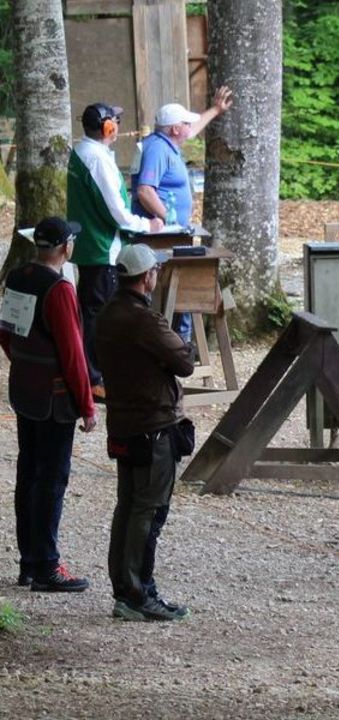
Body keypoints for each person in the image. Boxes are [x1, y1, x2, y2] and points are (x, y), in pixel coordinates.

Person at [95, 244, 196, 621]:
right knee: (148, 512)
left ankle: (125, 589)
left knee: (128, 507)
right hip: (153, 426)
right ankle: (139, 593)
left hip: (123, 423)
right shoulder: (144, 321)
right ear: (148, 276)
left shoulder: (107, 315)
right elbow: (184, 362)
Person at [0, 217, 97, 592]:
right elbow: (72, 354)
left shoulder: (19, 277)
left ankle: (29, 562)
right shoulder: (59, 289)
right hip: (55, 399)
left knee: (28, 475)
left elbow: (6, 331)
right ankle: (46, 566)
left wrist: (25, 362)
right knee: (52, 480)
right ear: (65, 247)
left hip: (25, 389)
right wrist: (87, 404)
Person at [67, 102, 163, 401]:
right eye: (116, 121)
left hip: (93, 247)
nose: (118, 126)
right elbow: (117, 211)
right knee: (100, 317)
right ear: (107, 127)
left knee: (93, 313)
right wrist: (148, 226)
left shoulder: (85, 153)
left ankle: (95, 375)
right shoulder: (96, 159)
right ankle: (95, 379)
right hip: (102, 249)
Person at [131, 87, 234, 342]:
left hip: (173, 234)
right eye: (185, 123)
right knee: (173, 292)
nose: (190, 127)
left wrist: (216, 110)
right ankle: (179, 343)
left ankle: (181, 342)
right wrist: (170, 219)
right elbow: (145, 190)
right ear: (175, 129)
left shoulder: (166, 143)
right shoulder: (157, 149)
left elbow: (195, 127)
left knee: (181, 292)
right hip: (165, 236)